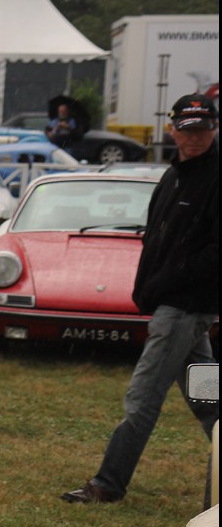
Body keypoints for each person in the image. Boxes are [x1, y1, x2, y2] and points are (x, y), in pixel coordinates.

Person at [62, 93, 218, 504]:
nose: (196, 138)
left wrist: (166, 282)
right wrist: (145, 285)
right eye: (188, 131)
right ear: (173, 131)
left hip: (183, 309)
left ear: (214, 129)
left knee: (143, 399)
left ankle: (108, 484)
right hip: (177, 307)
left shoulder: (215, 178)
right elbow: (156, 240)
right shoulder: (174, 176)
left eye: (203, 130)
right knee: (211, 401)